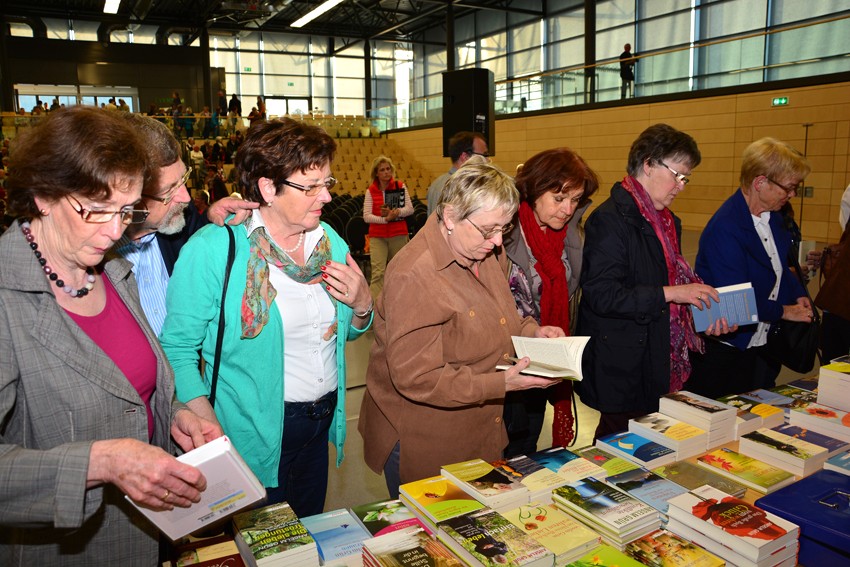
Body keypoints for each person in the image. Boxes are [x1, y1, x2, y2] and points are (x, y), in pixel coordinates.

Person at [0, 106, 222, 564]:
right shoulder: (7, 294)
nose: (116, 230)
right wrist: (99, 463)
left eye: (127, 211)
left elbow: (130, 386)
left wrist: (172, 413)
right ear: (43, 194)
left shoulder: (115, 272)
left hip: (145, 533)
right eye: (97, 211)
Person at [159, 118, 373, 518]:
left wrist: (363, 306)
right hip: (249, 434)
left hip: (318, 430)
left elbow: (346, 334)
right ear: (267, 188)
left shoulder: (331, 241)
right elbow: (177, 349)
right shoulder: (213, 248)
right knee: (259, 546)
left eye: (328, 182)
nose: (326, 197)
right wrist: (209, 430)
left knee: (306, 537)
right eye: (311, 186)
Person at [358, 159, 566, 498]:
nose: (498, 242)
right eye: (489, 230)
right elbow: (417, 377)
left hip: (480, 428)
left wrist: (531, 332)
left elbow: (499, 315)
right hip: (427, 440)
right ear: (451, 217)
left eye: (505, 229)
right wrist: (503, 382)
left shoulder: (483, 251)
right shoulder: (414, 274)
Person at [577, 123, 730, 440]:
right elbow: (602, 295)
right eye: (677, 174)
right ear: (647, 163)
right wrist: (675, 294)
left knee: (647, 445)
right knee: (617, 444)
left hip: (656, 356)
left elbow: (671, 293)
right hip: (623, 364)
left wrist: (704, 313)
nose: (681, 186)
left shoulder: (668, 221)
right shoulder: (609, 219)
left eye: (686, 178)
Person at [687, 137, 814, 395]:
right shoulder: (726, 227)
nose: (792, 195)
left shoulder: (773, 218)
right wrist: (785, 311)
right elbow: (738, 300)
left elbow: (780, 267)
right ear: (760, 183)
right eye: (789, 187)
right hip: (726, 350)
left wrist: (798, 293)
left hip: (761, 344)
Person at [115, 113, 256, 335]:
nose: (186, 198)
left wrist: (212, 212)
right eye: (169, 190)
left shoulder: (182, 220)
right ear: (129, 200)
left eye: (183, 179)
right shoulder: (92, 258)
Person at [502, 148, 600, 457]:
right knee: (504, 446)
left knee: (530, 441)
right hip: (505, 360)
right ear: (533, 189)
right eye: (559, 198)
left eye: (575, 200)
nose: (568, 209)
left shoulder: (571, 236)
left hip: (546, 356)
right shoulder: (503, 233)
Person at [363, 155, 414, 298]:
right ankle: (374, 308)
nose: (386, 172)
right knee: (378, 273)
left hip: (398, 234)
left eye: (388, 169)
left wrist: (396, 212)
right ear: (376, 173)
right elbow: (366, 216)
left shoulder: (400, 186)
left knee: (400, 270)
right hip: (378, 237)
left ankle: (401, 300)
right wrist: (385, 219)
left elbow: (410, 209)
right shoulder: (371, 191)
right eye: (382, 170)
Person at [426, 131, 489, 215]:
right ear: (465, 157)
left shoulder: (437, 183)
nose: (487, 160)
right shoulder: (462, 187)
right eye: (484, 155)